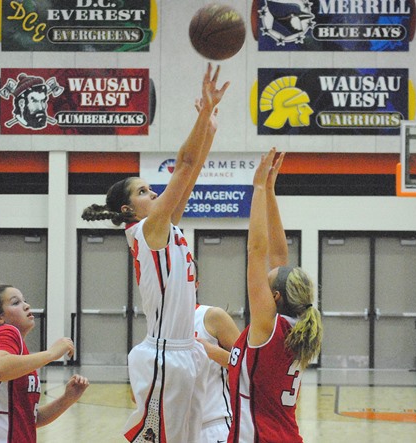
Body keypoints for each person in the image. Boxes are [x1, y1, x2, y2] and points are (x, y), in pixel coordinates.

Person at [81, 63, 229, 443]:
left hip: (186, 352)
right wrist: (201, 117)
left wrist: (209, 130)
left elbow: (192, 173)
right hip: (164, 356)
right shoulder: (147, 231)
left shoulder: (165, 226)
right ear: (129, 209)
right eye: (145, 191)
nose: (154, 193)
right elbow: (184, 164)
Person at [226, 147, 323, 443]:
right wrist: (270, 190)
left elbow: (257, 251)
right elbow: (279, 256)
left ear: (276, 297)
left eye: (266, 284)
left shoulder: (268, 328)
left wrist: (256, 188)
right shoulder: (294, 326)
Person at [0, 284, 89, 443]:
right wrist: (51, 353)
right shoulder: (5, 331)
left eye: (24, 301)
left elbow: (30, 418)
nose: (26, 306)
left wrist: (67, 398)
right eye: (15, 303)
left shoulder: (19, 355)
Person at [193, 260, 241, 443]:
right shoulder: (162, 325)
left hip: (213, 427)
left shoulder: (212, 316)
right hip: (177, 429)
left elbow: (248, 365)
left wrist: (213, 352)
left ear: (196, 285)